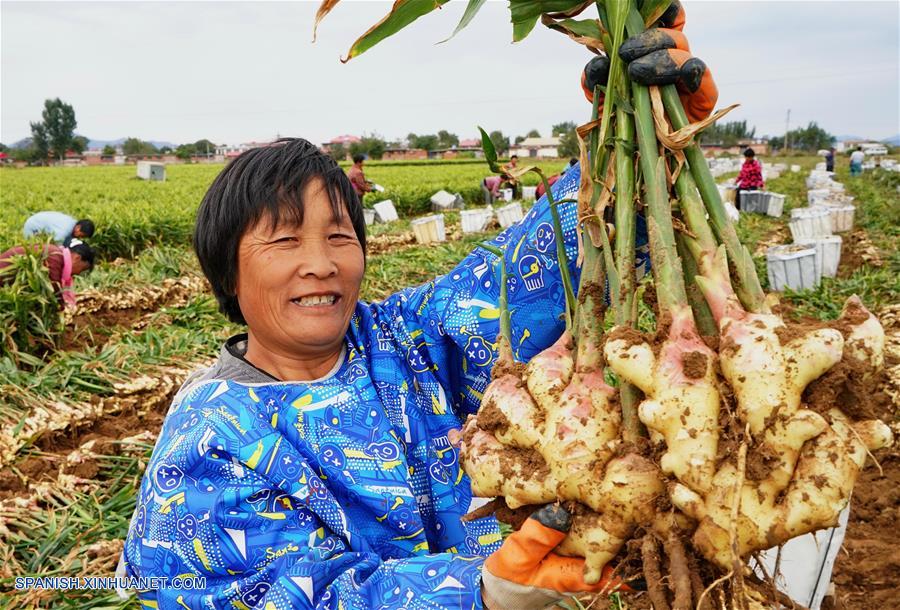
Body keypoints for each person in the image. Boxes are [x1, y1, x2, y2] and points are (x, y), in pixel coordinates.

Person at [120, 3, 717, 606]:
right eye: (284, 240)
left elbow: (538, 266)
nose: (321, 263)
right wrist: (476, 593)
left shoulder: (404, 340)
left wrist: (640, 138)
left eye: (338, 236)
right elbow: (260, 594)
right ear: (228, 271)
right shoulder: (209, 438)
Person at [0, 241, 95, 308]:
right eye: (82, 268)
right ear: (77, 258)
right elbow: (53, 286)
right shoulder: (56, 256)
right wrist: (62, 307)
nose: (78, 273)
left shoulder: (57, 253)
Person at [23, 211, 95, 247]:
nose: (80, 238)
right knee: (33, 248)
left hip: (37, 220)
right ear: (78, 227)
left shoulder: (73, 223)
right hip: (33, 227)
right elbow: (57, 245)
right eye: (81, 235)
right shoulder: (64, 231)